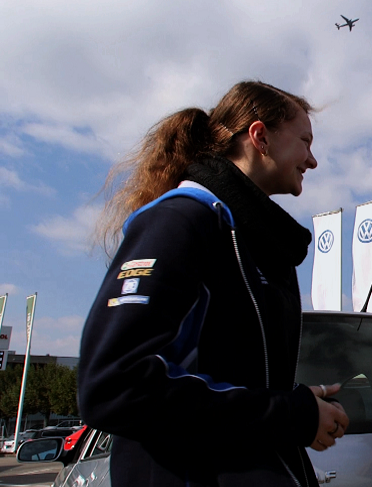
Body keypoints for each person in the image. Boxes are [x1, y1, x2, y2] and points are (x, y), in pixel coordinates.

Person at [79, 81, 348, 487]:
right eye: (305, 141)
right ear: (260, 137)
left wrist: (296, 401)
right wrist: (287, 414)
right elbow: (115, 384)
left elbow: (222, 375)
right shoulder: (182, 221)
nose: (312, 160)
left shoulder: (250, 239)